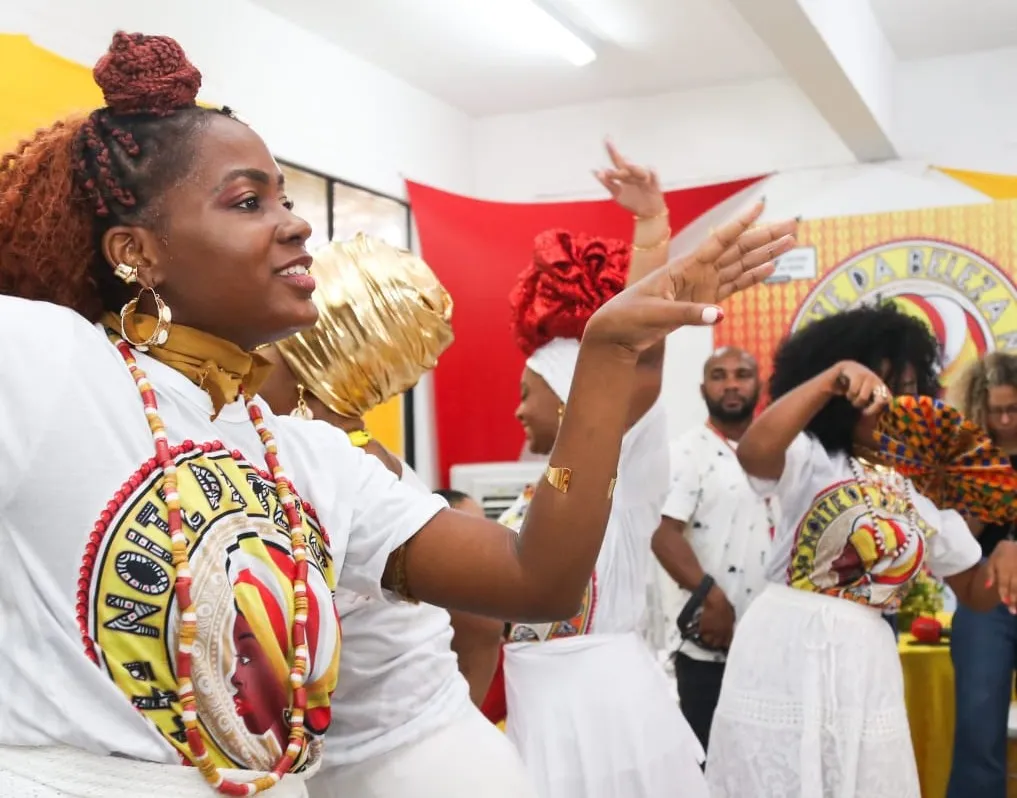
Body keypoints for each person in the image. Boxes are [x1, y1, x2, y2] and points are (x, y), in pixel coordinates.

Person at [0, 32, 784, 798]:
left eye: (286, 197)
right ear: (137, 251)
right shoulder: (51, 363)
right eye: (247, 201)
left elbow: (536, 578)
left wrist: (608, 352)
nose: (297, 223)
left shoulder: (307, 455)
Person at [499, 144, 800, 798]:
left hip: (598, 713)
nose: (516, 407)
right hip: (539, 706)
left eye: (529, 389)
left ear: (573, 395)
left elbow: (630, 354)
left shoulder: (617, 459)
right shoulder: (545, 487)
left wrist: (650, 230)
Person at [704, 304, 1017, 798]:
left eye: (910, 389)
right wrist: (831, 377)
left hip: (865, 662)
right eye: (879, 386)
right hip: (785, 648)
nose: (893, 403)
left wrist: (1002, 564)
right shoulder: (811, 457)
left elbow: (973, 592)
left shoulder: (918, 495)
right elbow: (754, 452)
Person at [258, 319, 521, 797]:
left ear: (308, 372)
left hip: (411, 772)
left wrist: (433, 726)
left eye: (269, 350)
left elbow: (484, 620)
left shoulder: (332, 473)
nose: (252, 368)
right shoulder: (367, 458)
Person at [651, 346, 774, 752]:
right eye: (719, 375)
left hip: (772, 644)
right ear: (703, 388)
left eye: (742, 374)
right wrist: (712, 596)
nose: (732, 384)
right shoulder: (687, 453)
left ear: (760, 385)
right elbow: (662, 535)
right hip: (710, 648)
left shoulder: (779, 454)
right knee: (714, 768)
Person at [946, 352, 1017, 798]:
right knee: (978, 722)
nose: (1007, 419)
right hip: (985, 595)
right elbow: (957, 540)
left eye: (1014, 409)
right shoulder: (966, 456)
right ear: (978, 410)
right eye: (996, 411)